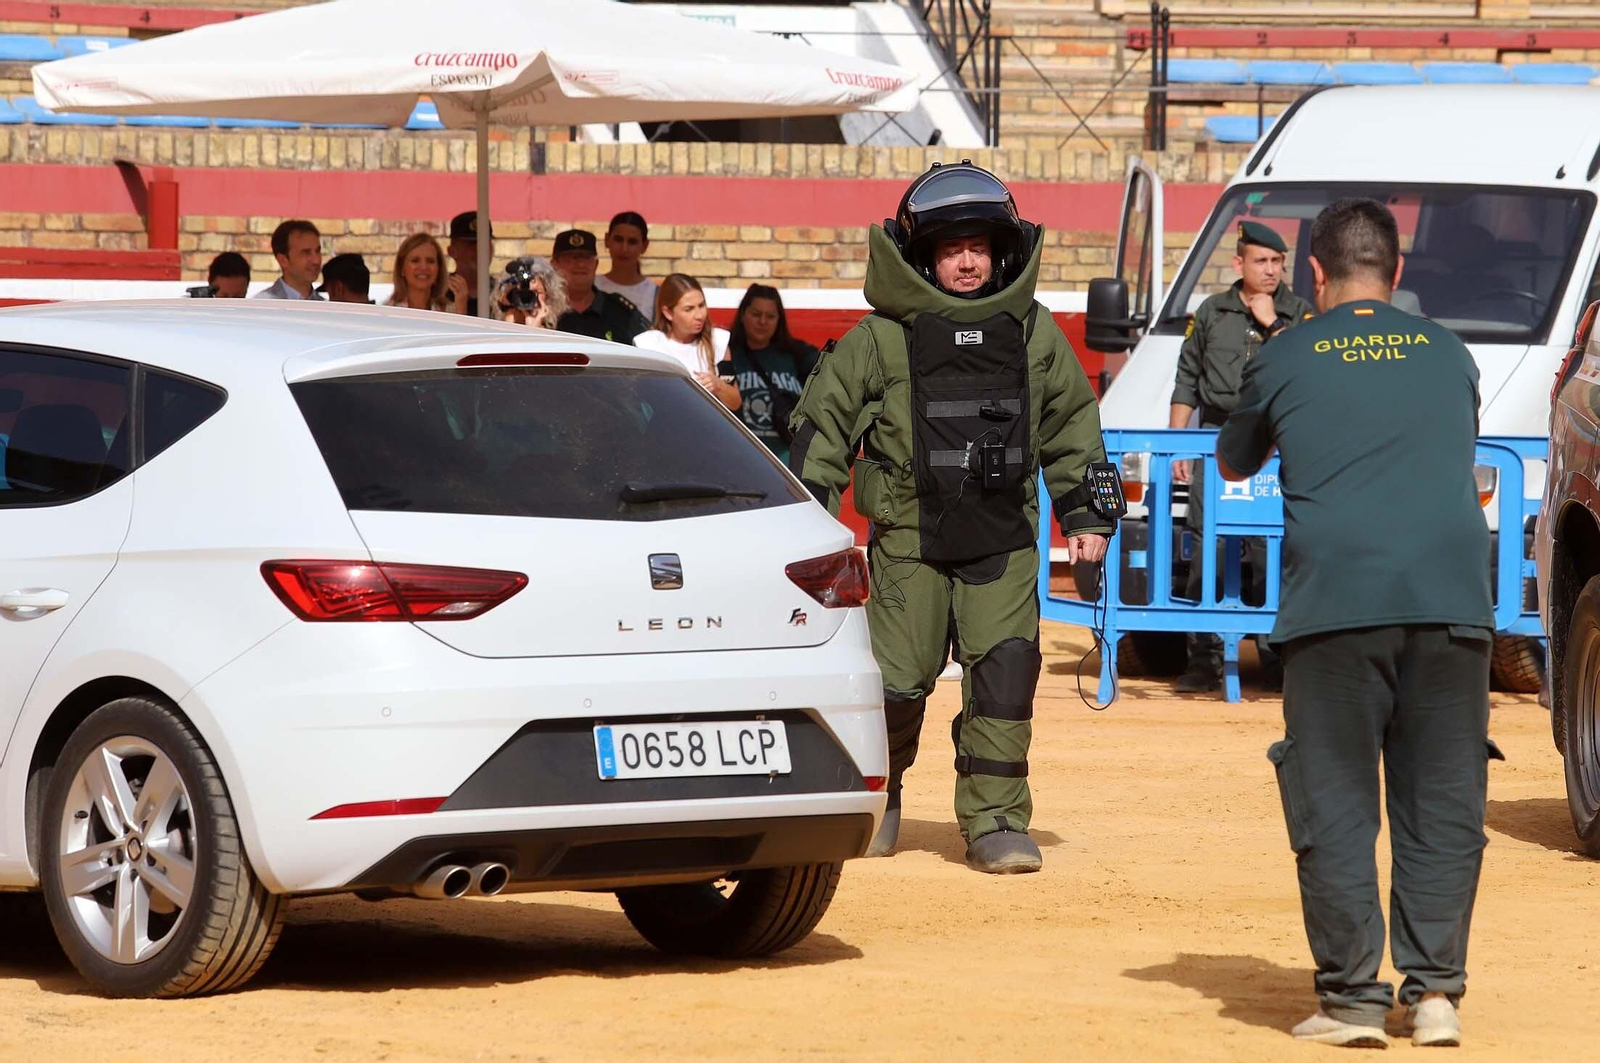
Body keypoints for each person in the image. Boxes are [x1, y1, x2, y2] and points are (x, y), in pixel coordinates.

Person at [1216, 198, 1496, 1049]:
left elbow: (1236, 456)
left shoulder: (1288, 352)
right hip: (1452, 604)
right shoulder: (1450, 353)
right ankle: (1437, 995)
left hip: (1335, 605)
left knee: (1336, 802)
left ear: (1315, 273)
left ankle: (1351, 1001)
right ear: (1397, 271)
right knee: (1442, 800)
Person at [787, 161, 1114, 874]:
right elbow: (822, 431)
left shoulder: (1035, 334)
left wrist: (1086, 513)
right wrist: (806, 524)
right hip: (909, 544)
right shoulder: (879, 339)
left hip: (1002, 540)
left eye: (979, 246)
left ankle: (996, 817)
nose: (967, 261)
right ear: (922, 254)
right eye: (950, 248)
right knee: (896, 684)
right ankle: (880, 791)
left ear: (1002, 250)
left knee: (1004, 675)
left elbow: (1071, 426)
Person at [1170, 220, 1315, 695]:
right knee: (1205, 545)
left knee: (1271, 547)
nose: (1271, 270)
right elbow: (1187, 378)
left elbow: (1306, 367)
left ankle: (1275, 657)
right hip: (1215, 437)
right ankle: (1203, 659)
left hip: (1279, 442)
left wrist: (1273, 322)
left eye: (1277, 262)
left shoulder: (1299, 314)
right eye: (1261, 261)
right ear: (1239, 264)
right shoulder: (1212, 311)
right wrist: (1179, 444)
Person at [727, 284, 820, 463]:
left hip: (789, 466)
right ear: (742, 315)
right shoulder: (726, 352)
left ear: (779, 320)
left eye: (770, 316)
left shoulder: (799, 355)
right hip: (740, 460)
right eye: (756, 314)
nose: (763, 322)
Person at [634, 274, 741, 411]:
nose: (699, 315)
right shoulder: (648, 345)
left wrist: (718, 385)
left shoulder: (718, 341)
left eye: (701, 305)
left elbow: (735, 403)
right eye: (688, 309)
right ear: (668, 313)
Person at [551, 229, 649, 345]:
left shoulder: (620, 312)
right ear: (554, 265)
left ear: (596, 264)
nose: (580, 264)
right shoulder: (544, 310)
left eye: (586, 258)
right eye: (572, 258)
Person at [595, 211, 659, 313]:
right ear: (607, 240)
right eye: (618, 240)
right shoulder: (591, 287)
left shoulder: (655, 294)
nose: (624, 249)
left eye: (632, 242)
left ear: (644, 246)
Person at [387, 233, 461, 313]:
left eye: (430, 261)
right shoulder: (387, 313)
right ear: (402, 269)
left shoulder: (450, 312)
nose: (423, 267)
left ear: (439, 269)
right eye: (415, 261)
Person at [254, 220, 322, 300]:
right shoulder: (262, 305)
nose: (316, 261)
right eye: (306, 252)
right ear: (283, 260)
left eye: (318, 251)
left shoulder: (327, 307)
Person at [494, 255, 567, 328]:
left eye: (536, 292)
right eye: (521, 293)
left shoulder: (559, 331)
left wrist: (534, 329)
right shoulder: (492, 331)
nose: (527, 298)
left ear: (548, 295)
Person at [445, 210, 490, 317]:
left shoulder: (499, 293)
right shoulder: (440, 293)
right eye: (472, 244)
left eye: (484, 243)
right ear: (452, 251)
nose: (480, 249)